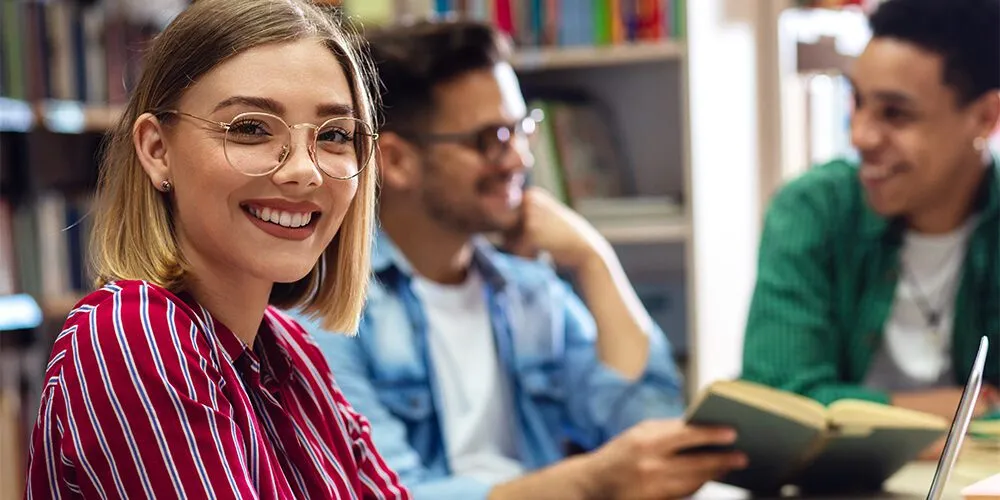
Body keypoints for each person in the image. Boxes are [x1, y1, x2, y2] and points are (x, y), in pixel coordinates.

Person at [293, 19, 747, 500]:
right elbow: (388, 494)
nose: (519, 161)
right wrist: (592, 481)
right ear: (397, 160)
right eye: (490, 140)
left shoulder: (528, 289)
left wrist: (596, 261)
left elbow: (647, 427)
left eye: (521, 129)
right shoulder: (326, 315)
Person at [22, 0, 410, 497]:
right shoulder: (131, 337)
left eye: (334, 135)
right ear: (157, 150)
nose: (304, 171)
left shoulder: (292, 351)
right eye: (250, 129)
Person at [741, 0, 1000, 454]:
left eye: (895, 114)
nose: (860, 135)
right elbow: (775, 403)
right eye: (857, 101)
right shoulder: (813, 208)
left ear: (985, 117)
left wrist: (853, 416)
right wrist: (939, 411)